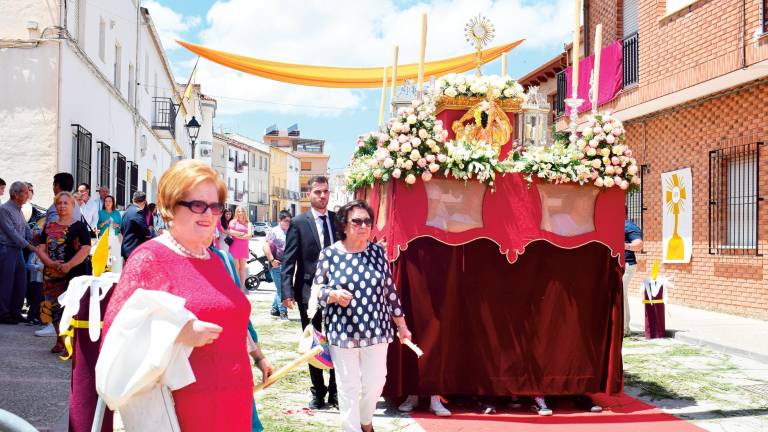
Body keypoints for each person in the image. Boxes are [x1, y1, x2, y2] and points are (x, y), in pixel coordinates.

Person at [102, 160, 272, 431]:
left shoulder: (216, 260)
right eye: (196, 205)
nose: (208, 214)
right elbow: (115, 338)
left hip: (235, 402)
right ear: (170, 207)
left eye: (215, 206)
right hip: (183, 411)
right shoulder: (149, 259)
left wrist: (259, 357)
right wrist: (177, 331)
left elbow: (235, 323)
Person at [313, 200, 412, 432]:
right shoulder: (329, 254)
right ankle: (353, 429)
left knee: (376, 382)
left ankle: (365, 420)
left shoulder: (377, 252)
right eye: (357, 221)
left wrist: (402, 325)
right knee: (348, 387)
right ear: (345, 226)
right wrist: (333, 294)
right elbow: (316, 291)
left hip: (377, 330)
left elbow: (390, 291)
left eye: (367, 221)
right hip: (342, 332)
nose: (363, 225)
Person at [282, 176, 338, 409]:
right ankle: (318, 392)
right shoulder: (299, 222)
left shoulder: (337, 220)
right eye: (317, 192)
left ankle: (336, 392)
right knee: (313, 342)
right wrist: (286, 290)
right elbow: (289, 259)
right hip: (308, 291)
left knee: (337, 341)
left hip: (337, 291)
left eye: (325, 191)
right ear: (309, 195)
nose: (322, 196)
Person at [35, 191, 92, 351]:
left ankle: (70, 342)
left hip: (72, 274)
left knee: (71, 308)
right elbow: (40, 248)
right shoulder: (49, 225)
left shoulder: (79, 226)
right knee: (53, 308)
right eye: (59, 203)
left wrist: (68, 265)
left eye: (66, 203)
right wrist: (50, 263)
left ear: (73, 206)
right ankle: (60, 340)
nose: (62, 206)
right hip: (51, 274)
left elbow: (85, 249)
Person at [0, 182, 35, 324]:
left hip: (18, 250)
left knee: (21, 282)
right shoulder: (4, 210)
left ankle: (15, 311)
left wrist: (36, 238)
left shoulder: (19, 209)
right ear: (15, 194)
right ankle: (3, 313)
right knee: (6, 283)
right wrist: (29, 246)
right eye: (25, 192)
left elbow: (26, 228)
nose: (28, 195)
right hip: (6, 249)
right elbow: (11, 232)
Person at [264, 210, 291, 320]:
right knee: (282, 289)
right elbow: (265, 246)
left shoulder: (291, 231)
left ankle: (274, 310)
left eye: (290, 221)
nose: (288, 223)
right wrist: (272, 260)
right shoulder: (273, 231)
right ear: (280, 220)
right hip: (276, 264)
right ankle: (283, 314)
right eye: (286, 221)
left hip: (287, 265)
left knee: (280, 288)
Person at [624, 211, 643, 336]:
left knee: (619, 294)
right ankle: (622, 327)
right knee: (620, 294)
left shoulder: (629, 226)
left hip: (627, 265)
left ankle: (624, 328)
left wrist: (625, 246)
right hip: (618, 266)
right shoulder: (613, 224)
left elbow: (639, 245)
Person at [120, 191, 151, 261]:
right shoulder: (138, 212)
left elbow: (122, 230)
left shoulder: (126, 211)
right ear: (144, 202)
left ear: (133, 200)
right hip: (135, 250)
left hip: (126, 248)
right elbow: (146, 232)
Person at [227, 206, 252, 293]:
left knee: (242, 269)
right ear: (236, 212)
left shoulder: (248, 223)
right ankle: (234, 286)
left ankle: (242, 287)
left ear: (245, 212)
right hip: (234, 247)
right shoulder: (233, 222)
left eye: (242, 211)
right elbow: (231, 232)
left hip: (244, 248)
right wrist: (242, 234)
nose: (240, 213)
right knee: (235, 268)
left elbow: (249, 236)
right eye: (238, 211)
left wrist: (238, 235)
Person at [98, 195, 123, 272]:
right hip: (104, 237)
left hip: (115, 238)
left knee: (116, 256)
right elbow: (97, 226)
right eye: (106, 201)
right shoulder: (100, 212)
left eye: (110, 201)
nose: (107, 203)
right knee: (104, 257)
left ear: (113, 203)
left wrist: (117, 225)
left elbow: (121, 225)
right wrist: (104, 223)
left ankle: (116, 273)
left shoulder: (117, 213)